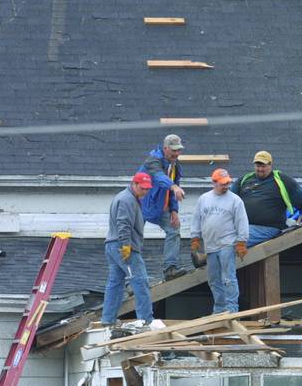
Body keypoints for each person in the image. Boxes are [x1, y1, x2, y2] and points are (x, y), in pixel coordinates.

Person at [230, 150, 302, 247]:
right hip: (245, 226)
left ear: (270, 165)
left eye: (263, 166)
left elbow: (301, 198)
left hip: (268, 228)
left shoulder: (282, 181)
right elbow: (229, 200)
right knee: (221, 236)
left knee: (232, 241)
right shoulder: (244, 180)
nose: (260, 169)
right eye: (258, 166)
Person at [190, 169, 249, 313]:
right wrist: (195, 237)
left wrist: (241, 241)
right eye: (223, 184)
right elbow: (196, 219)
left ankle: (231, 309)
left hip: (227, 244)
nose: (226, 186)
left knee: (228, 278)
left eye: (228, 183)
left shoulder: (235, 200)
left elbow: (242, 221)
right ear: (214, 183)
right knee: (214, 280)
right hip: (210, 246)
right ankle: (220, 309)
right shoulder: (204, 199)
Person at [101, 172, 155, 327]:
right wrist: (126, 245)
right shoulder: (128, 199)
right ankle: (146, 320)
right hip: (123, 246)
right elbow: (123, 224)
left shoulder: (123, 196)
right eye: (143, 188)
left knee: (115, 282)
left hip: (111, 245)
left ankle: (108, 319)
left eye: (147, 189)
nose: (145, 192)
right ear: (134, 184)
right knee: (140, 281)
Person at [137, 134, 188, 280]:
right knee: (134, 240)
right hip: (141, 204)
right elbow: (159, 178)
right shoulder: (153, 160)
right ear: (165, 148)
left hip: (159, 206)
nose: (176, 153)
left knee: (174, 229)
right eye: (174, 150)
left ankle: (170, 269)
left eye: (179, 150)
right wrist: (173, 187)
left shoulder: (175, 165)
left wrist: (174, 210)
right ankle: (131, 279)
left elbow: (172, 191)